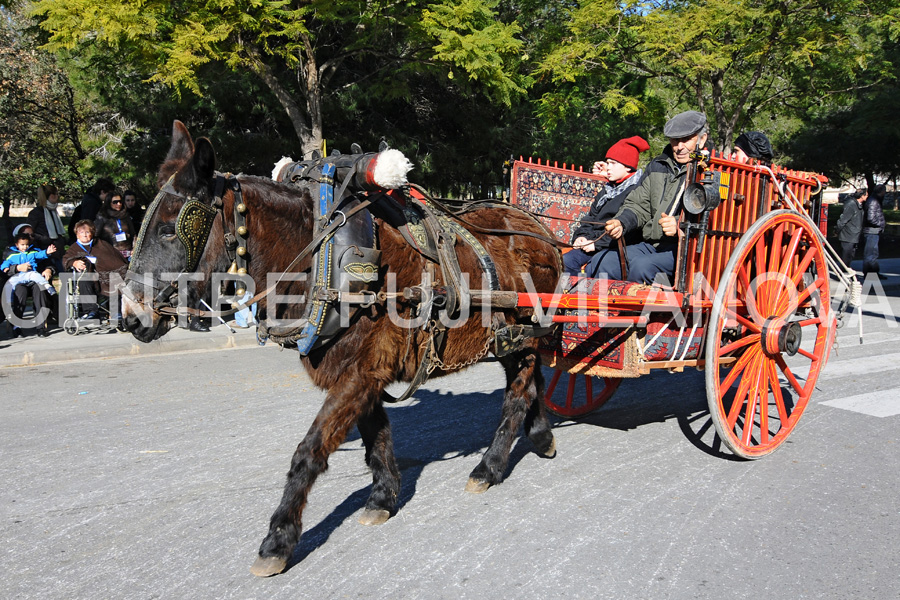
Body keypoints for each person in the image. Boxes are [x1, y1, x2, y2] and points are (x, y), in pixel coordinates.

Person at [600, 110, 709, 283]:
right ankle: (610, 310)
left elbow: (715, 222)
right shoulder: (658, 165)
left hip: (687, 251)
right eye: (675, 140)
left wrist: (680, 226)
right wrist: (621, 222)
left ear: (702, 139)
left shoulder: (710, 172)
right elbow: (638, 204)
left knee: (642, 267)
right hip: (653, 245)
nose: (679, 147)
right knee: (606, 261)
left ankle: (638, 311)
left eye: (686, 139)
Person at [563, 136, 650, 276]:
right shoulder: (608, 189)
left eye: (613, 163)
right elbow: (591, 217)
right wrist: (581, 237)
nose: (608, 168)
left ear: (628, 166)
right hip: (592, 242)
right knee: (563, 259)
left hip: (611, 246)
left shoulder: (635, 191)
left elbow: (627, 231)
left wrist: (595, 244)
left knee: (572, 262)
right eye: (607, 163)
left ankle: (579, 296)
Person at [63, 220, 128, 325]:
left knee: (115, 278)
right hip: (90, 278)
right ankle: (91, 311)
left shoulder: (101, 244)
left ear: (92, 233)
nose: (84, 234)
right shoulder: (74, 248)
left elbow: (114, 257)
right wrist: (74, 262)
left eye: (87, 232)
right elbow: (66, 260)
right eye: (81, 232)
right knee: (84, 279)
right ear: (77, 234)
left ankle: (115, 312)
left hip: (106, 275)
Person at [1, 231, 57, 336]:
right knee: (19, 292)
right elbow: (5, 265)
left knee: (39, 289)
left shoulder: (33, 251)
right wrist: (12, 268)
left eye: (27, 244)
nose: (25, 247)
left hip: (33, 279)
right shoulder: (10, 253)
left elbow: (42, 256)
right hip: (19, 280)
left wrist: (47, 254)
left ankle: (40, 327)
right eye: (22, 245)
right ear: (17, 244)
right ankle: (16, 325)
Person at [26, 184, 67, 272]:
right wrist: (45, 239)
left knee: (64, 277)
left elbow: (57, 231)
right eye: (55, 194)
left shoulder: (53, 211)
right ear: (49, 196)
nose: (57, 196)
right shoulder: (36, 213)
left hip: (58, 251)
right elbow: (30, 232)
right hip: (44, 251)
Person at [93, 188, 137, 260]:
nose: (118, 204)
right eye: (115, 202)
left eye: (120, 201)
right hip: (111, 253)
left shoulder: (125, 216)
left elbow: (133, 234)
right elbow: (95, 236)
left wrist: (134, 249)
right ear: (109, 202)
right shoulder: (102, 217)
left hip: (127, 252)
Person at [68, 177, 114, 242]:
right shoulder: (92, 202)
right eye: (109, 194)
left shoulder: (91, 198)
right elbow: (88, 220)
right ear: (102, 192)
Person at [862, 184, 887, 280]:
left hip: (873, 231)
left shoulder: (875, 200)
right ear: (881, 191)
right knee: (870, 254)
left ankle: (874, 273)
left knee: (873, 254)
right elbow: (871, 218)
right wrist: (880, 224)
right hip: (871, 231)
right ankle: (869, 274)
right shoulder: (873, 201)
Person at [835, 189, 866, 267]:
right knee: (846, 256)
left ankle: (845, 271)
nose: (867, 197)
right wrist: (837, 230)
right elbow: (843, 220)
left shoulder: (857, 204)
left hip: (853, 234)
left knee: (850, 255)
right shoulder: (851, 204)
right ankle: (843, 273)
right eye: (866, 195)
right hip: (848, 234)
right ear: (862, 196)